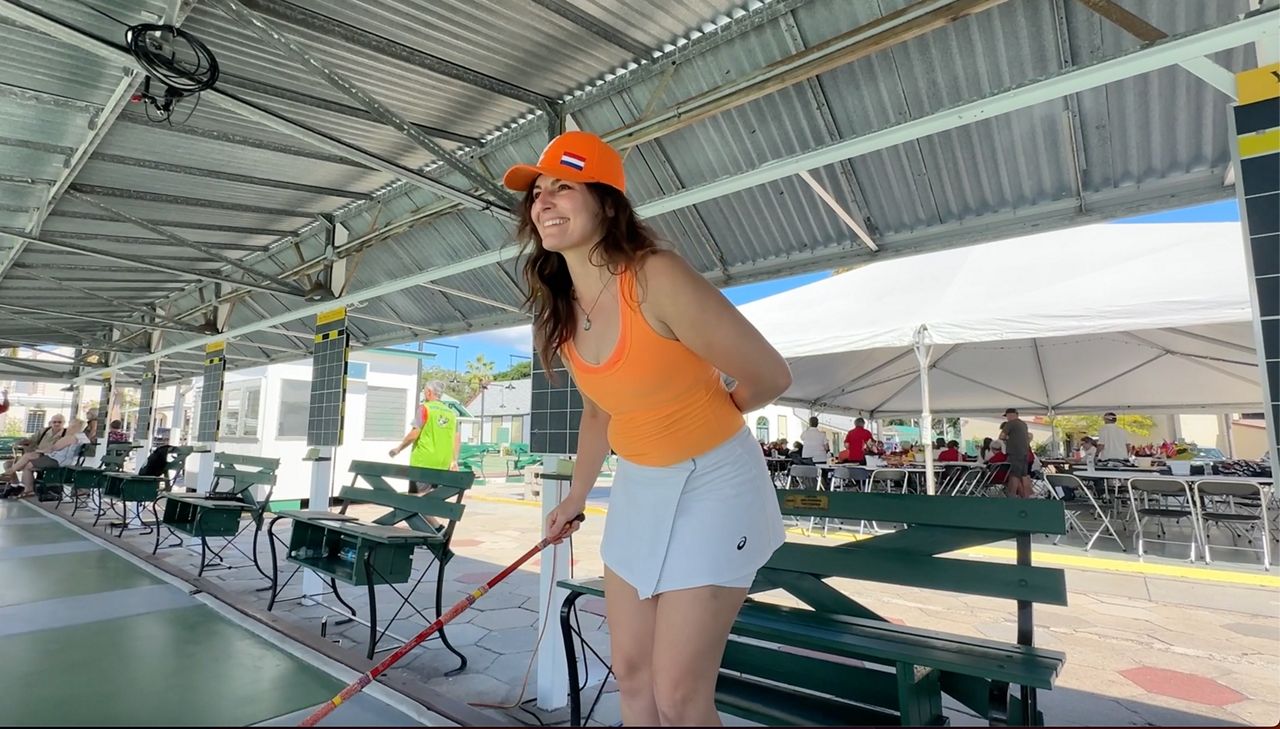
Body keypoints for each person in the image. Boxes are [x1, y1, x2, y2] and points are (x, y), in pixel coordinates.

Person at [510, 130, 791, 726]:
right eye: (538, 193)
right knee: (632, 680)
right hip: (640, 484)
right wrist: (577, 496)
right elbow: (597, 412)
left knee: (678, 694)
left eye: (564, 187)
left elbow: (768, 375)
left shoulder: (655, 276)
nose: (544, 202)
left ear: (607, 203)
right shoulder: (559, 312)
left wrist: (704, 417)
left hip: (715, 484)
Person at [389, 380, 460, 493]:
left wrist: (399, 448)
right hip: (443, 464)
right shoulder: (451, 413)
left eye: (424, 391)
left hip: (423, 464)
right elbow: (456, 438)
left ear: (429, 392)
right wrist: (454, 460)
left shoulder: (425, 408)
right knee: (434, 501)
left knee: (416, 500)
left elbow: (415, 433)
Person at [7, 418, 88, 497]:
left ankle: (27, 489)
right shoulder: (82, 437)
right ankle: (12, 475)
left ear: (75, 427)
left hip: (57, 460)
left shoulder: (70, 437)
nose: (69, 428)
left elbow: (53, 448)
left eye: (71, 426)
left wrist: (39, 451)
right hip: (65, 460)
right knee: (28, 458)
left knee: (28, 465)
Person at [1001, 408, 1033, 498]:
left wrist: (1008, 438)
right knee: (1024, 475)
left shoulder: (1010, 423)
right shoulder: (1024, 424)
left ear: (1010, 415)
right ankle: (1028, 496)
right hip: (1024, 453)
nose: (1007, 418)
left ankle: (1012, 496)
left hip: (1014, 453)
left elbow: (1001, 436)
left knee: (1014, 475)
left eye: (1007, 416)